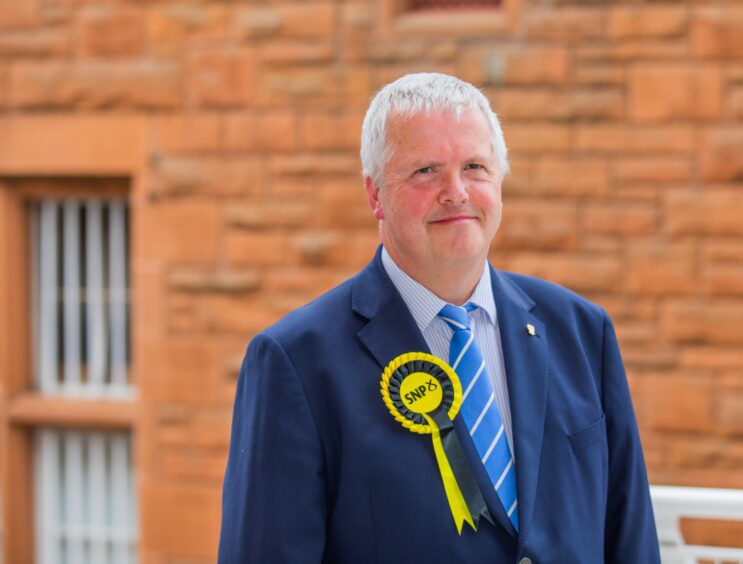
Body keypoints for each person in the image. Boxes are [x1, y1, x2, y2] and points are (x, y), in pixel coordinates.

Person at [218, 73, 660, 563]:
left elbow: (632, 540)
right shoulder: (296, 362)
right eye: (426, 171)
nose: (456, 192)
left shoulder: (582, 332)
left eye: (474, 166)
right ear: (375, 195)